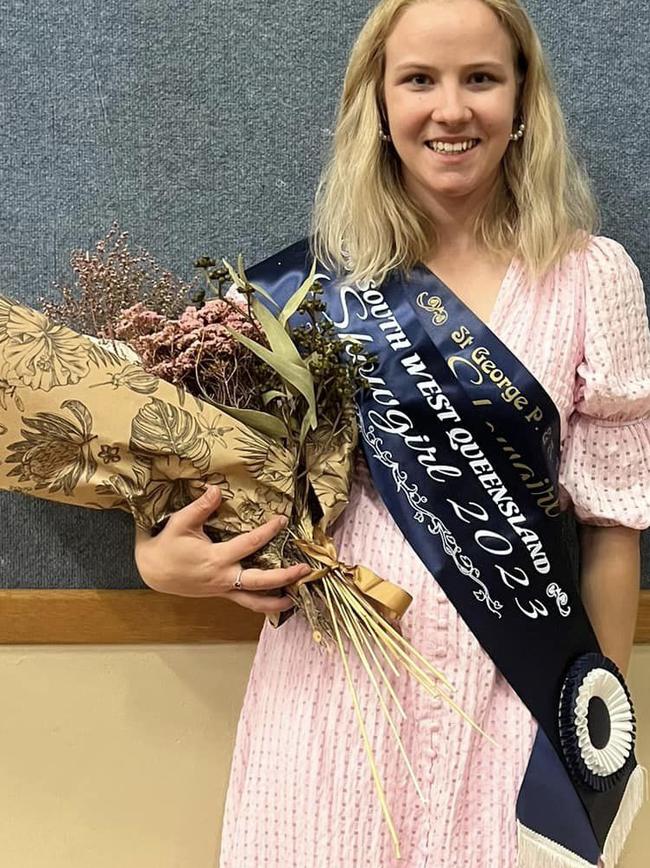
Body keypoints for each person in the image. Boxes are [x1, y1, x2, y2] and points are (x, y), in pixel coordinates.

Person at [131, 0, 650, 865]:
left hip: (513, 697)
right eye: (419, 79)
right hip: (334, 691)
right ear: (378, 102)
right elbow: (181, 453)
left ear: (523, 100)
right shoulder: (303, 288)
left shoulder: (590, 278)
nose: (451, 109)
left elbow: (611, 528)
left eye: (480, 77)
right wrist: (160, 560)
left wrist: (586, 731)